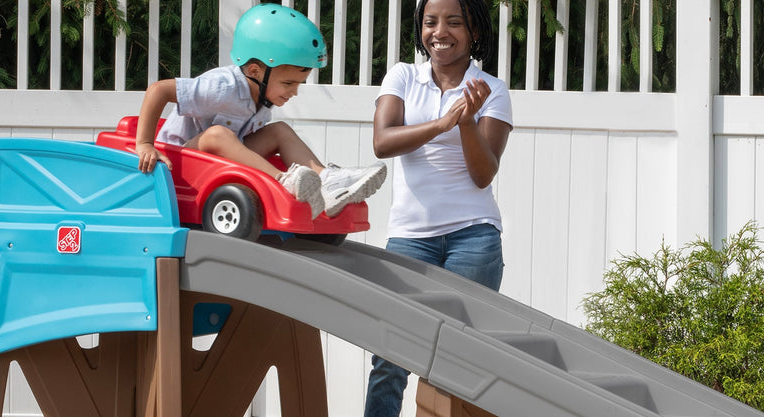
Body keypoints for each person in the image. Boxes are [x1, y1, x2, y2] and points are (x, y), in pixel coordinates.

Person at [363, 0, 512, 414]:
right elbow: (383, 141)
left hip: (474, 239)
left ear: (474, 31)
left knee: (457, 360)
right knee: (389, 356)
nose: (439, 32)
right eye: (430, 22)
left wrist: (466, 122)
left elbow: (483, 174)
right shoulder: (403, 76)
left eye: (454, 22)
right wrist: (443, 122)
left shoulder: (492, 90)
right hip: (411, 238)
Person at [132, 3, 385, 219]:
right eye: (288, 83)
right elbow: (158, 90)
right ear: (254, 71)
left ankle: (326, 181)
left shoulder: (263, 100)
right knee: (217, 134)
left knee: (280, 131)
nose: (294, 92)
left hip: (218, 162)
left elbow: (238, 145)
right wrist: (144, 143)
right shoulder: (222, 87)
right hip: (180, 164)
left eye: (298, 84)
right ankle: (284, 180)